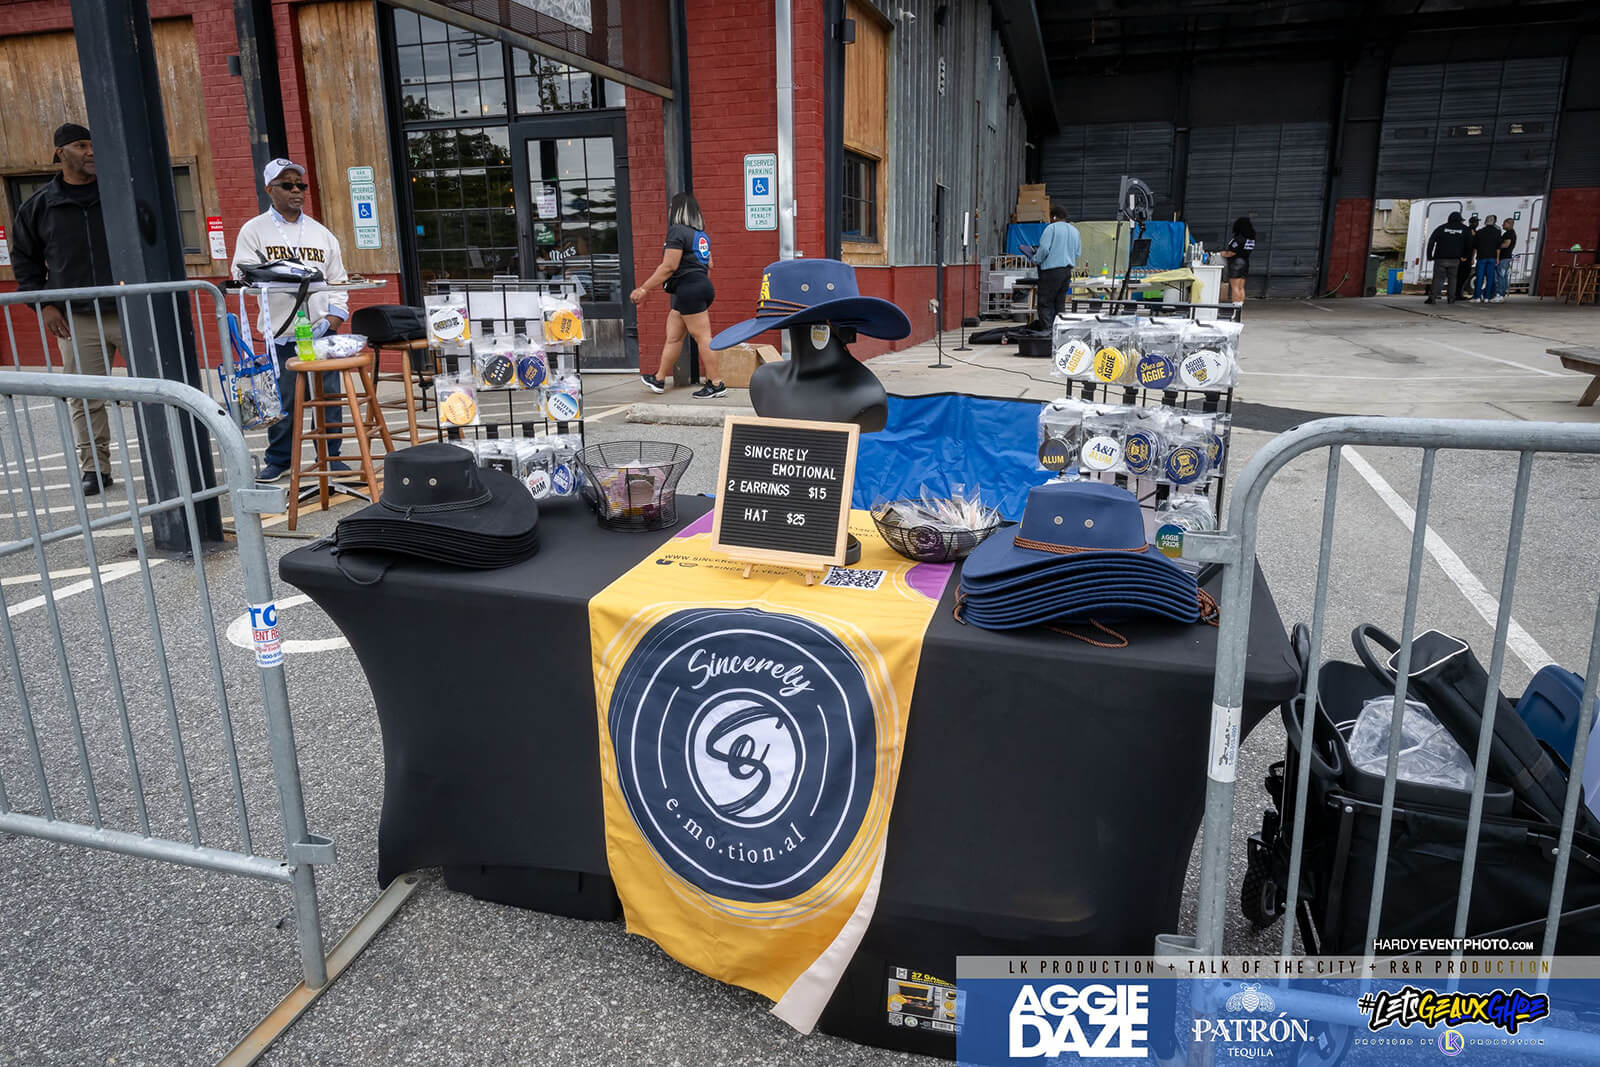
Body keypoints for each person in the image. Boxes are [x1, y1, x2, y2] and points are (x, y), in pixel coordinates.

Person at [11, 123, 120, 495]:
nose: (91, 152)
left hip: (131, 309)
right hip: (76, 319)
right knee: (85, 396)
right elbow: (25, 261)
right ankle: (95, 469)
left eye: (93, 144)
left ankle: (169, 459)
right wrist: (44, 304)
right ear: (61, 153)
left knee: (161, 389)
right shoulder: (39, 206)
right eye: (81, 145)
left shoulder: (118, 194)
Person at [231, 159, 350, 482]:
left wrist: (334, 319)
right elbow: (241, 273)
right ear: (270, 190)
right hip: (281, 332)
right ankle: (280, 458)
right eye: (287, 185)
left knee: (328, 395)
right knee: (284, 398)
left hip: (320, 331)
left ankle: (330, 455)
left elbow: (339, 281)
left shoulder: (322, 234)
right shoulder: (254, 230)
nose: (296, 190)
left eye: (301, 185)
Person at [632, 192, 724, 399]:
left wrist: (644, 288)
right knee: (674, 337)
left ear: (677, 210)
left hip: (689, 289)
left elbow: (669, 266)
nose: (668, 211)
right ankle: (659, 378)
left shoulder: (677, 231)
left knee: (703, 337)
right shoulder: (701, 235)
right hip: (698, 287)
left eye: (671, 208)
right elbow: (709, 264)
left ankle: (716, 383)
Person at [1031, 203, 1081, 328]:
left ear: (1053, 217)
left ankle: (1047, 332)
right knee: (1060, 303)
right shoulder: (1075, 231)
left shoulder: (1051, 228)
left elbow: (1044, 249)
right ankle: (1059, 331)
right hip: (1066, 272)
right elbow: (1077, 253)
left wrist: (1035, 259)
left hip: (1051, 272)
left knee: (1045, 303)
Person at [1424, 211, 1471, 305]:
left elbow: (1431, 241)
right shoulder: (1465, 229)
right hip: (1455, 259)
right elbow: (1469, 244)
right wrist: (1465, 256)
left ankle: (1432, 298)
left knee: (1437, 278)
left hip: (1440, 258)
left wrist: (1429, 255)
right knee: (1453, 279)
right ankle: (1451, 299)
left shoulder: (1441, 228)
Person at [1219, 217, 1255, 304]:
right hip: (1245, 262)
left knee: (1235, 287)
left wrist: (1222, 253)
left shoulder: (1239, 238)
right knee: (1241, 287)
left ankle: (1235, 306)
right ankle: (1240, 305)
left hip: (1236, 263)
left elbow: (1232, 252)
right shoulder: (1251, 239)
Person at [1471, 214, 1501, 305]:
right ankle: (1487, 297)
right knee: (1490, 278)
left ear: (1485, 222)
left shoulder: (1480, 232)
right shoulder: (1497, 232)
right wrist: (1497, 258)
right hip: (1492, 257)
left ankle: (1477, 297)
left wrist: (1472, 257)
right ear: (1494, 222)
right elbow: (1498, 247)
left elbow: (1475, 247)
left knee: (1479, 277)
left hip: (1481, 257)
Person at [1457, 214, 1479, 301]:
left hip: (1464, 256)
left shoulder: (1466, 230)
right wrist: (1471, 257)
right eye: (1475, 222)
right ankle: (1458, 294)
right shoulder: (1470, 232)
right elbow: (1473, 247)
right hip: (1466, 257)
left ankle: (1457, 293)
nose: (1476, 223)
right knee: (1462, 276)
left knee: (1461, 276)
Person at [1495, 218, 1517, 302]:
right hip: (1506, 257)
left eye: (1504, 224)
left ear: (1509, 224)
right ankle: (1502, 293)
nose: (1502, 225)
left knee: (1501, 276)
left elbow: (1506, 244)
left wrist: (1497, 247)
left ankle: (1500, 294)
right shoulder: (1510, 233)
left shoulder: (1509, 234)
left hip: (1504, 257)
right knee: (1503, 276)